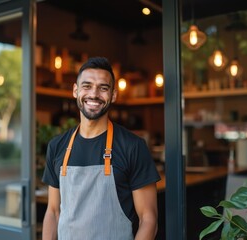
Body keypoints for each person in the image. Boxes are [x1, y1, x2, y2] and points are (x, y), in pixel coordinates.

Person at [42, 57, 161, 240]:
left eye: (103, 88)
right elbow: (53, 212)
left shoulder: (132, 146)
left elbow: (148, 219)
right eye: (87, 86)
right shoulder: (57, 146)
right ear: (75, 90)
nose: (94, 94)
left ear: (113, 95)